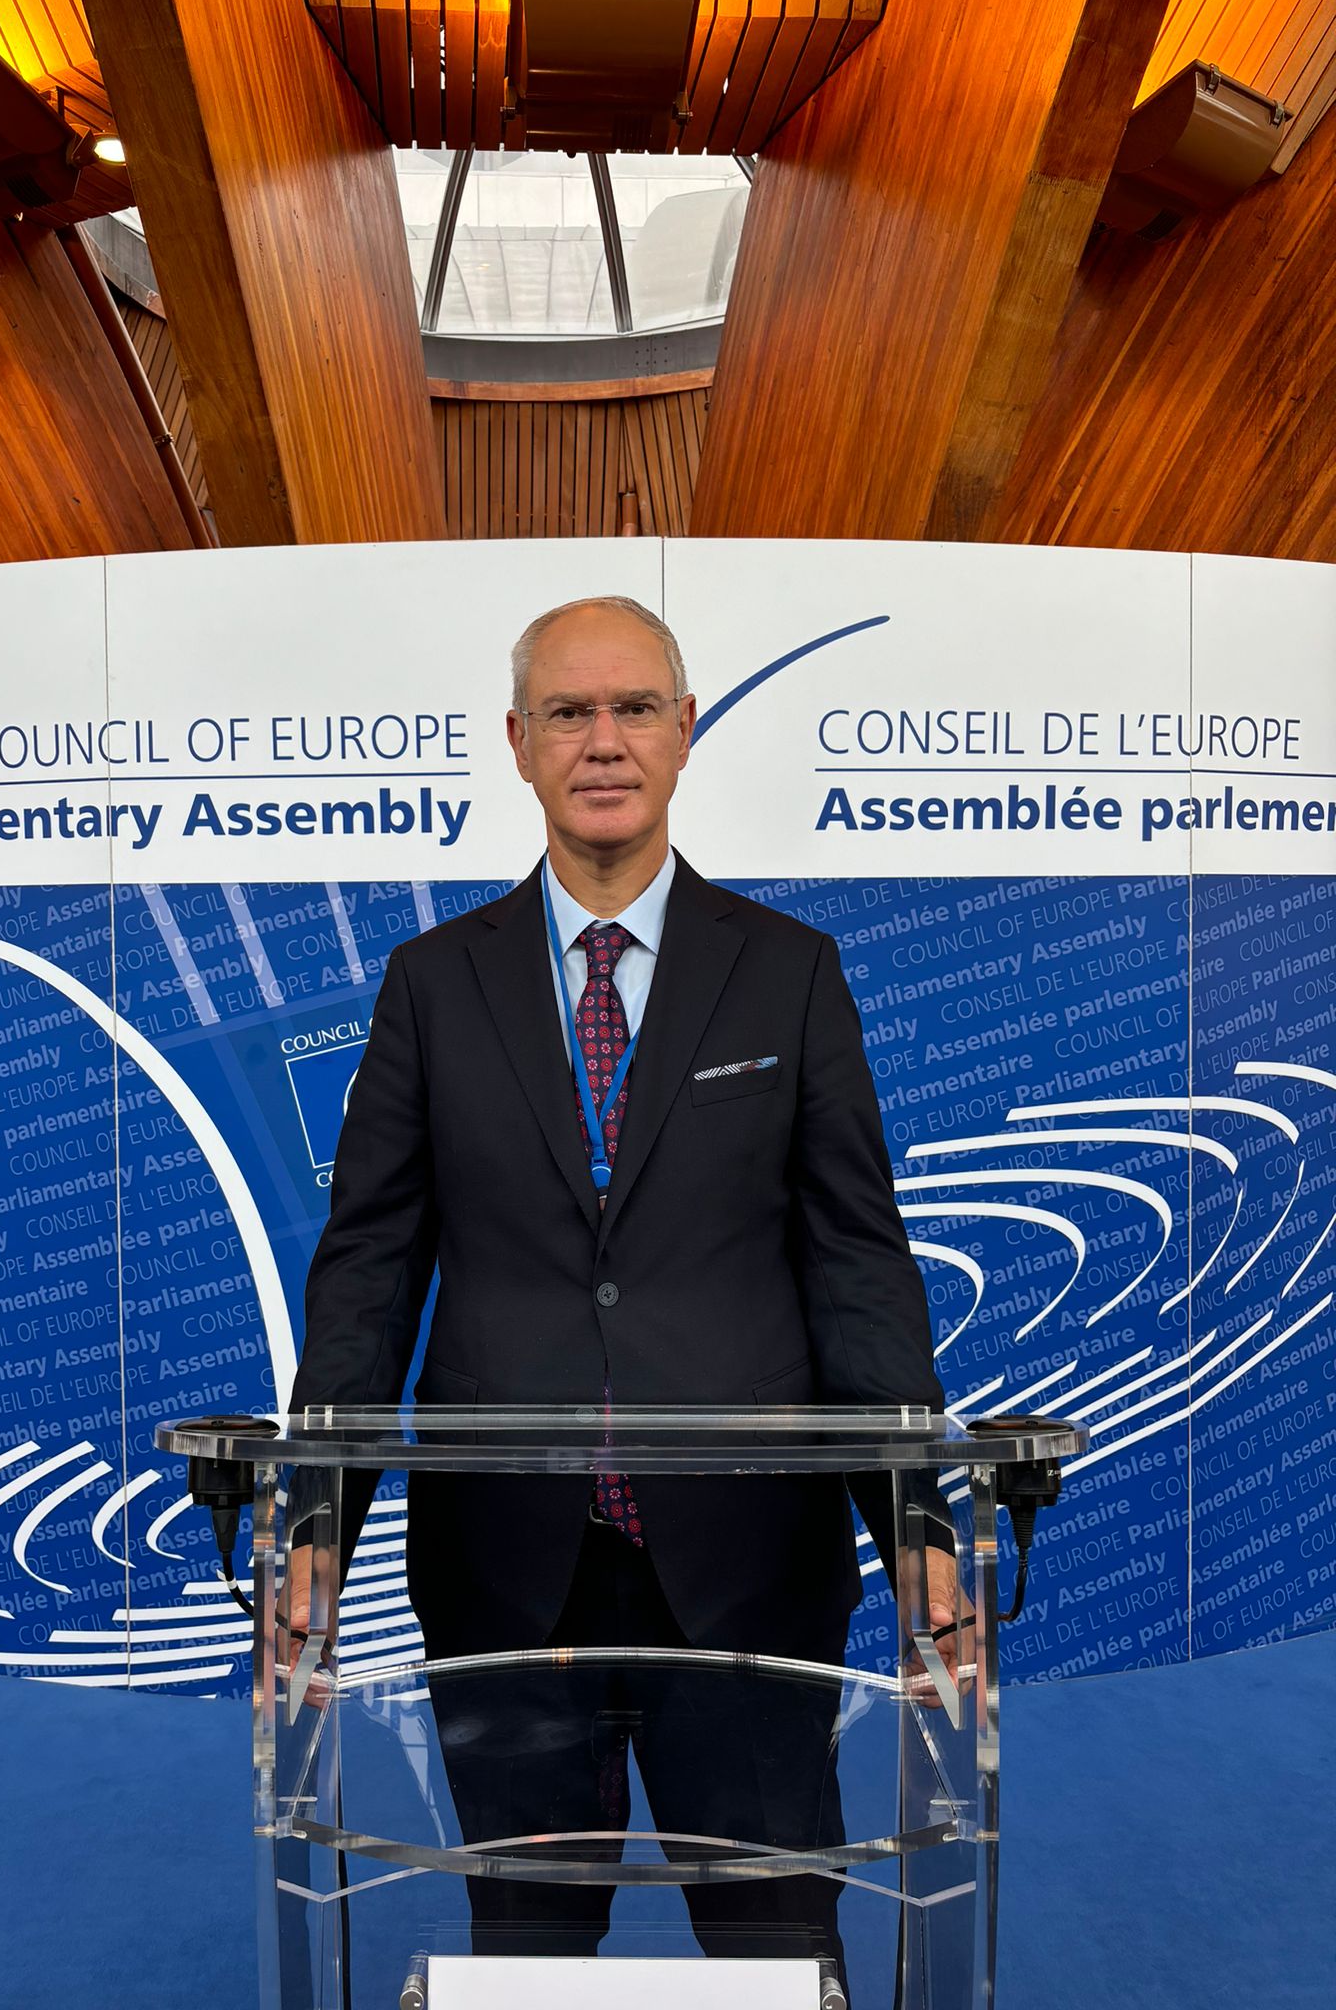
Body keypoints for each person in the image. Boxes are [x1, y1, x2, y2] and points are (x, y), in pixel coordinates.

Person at [288, 594, 958, 1981]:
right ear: (518, 743)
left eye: (635, 708)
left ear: (686, 731)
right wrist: (315, 1528)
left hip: (752, 1569)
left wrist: (914, 1522)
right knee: (527, 1946)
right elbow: (368, 1273)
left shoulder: (790, 974)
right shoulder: (430, 985)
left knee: (778, 1944)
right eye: (571, 713)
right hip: (505, 1576)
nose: (605, 741)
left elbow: (855, 1263)